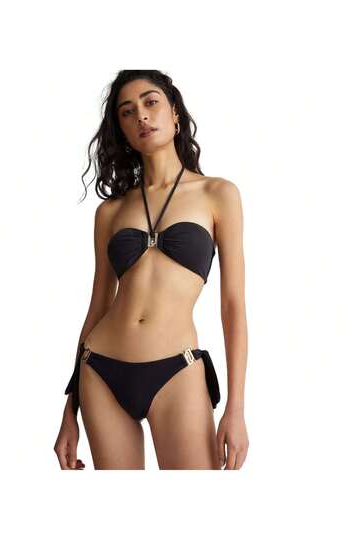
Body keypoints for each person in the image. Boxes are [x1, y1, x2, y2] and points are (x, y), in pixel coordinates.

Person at [53, 70, 249, 470]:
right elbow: (98, 306)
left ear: (175, 113)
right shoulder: (110, 211)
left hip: (177, 369)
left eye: (150, 102)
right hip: (100, 370)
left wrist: (236, 408)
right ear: (123, 130)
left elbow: (232, 306)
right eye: (127, 112)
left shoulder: (218, 194)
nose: (141, 115)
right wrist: (69, 411)